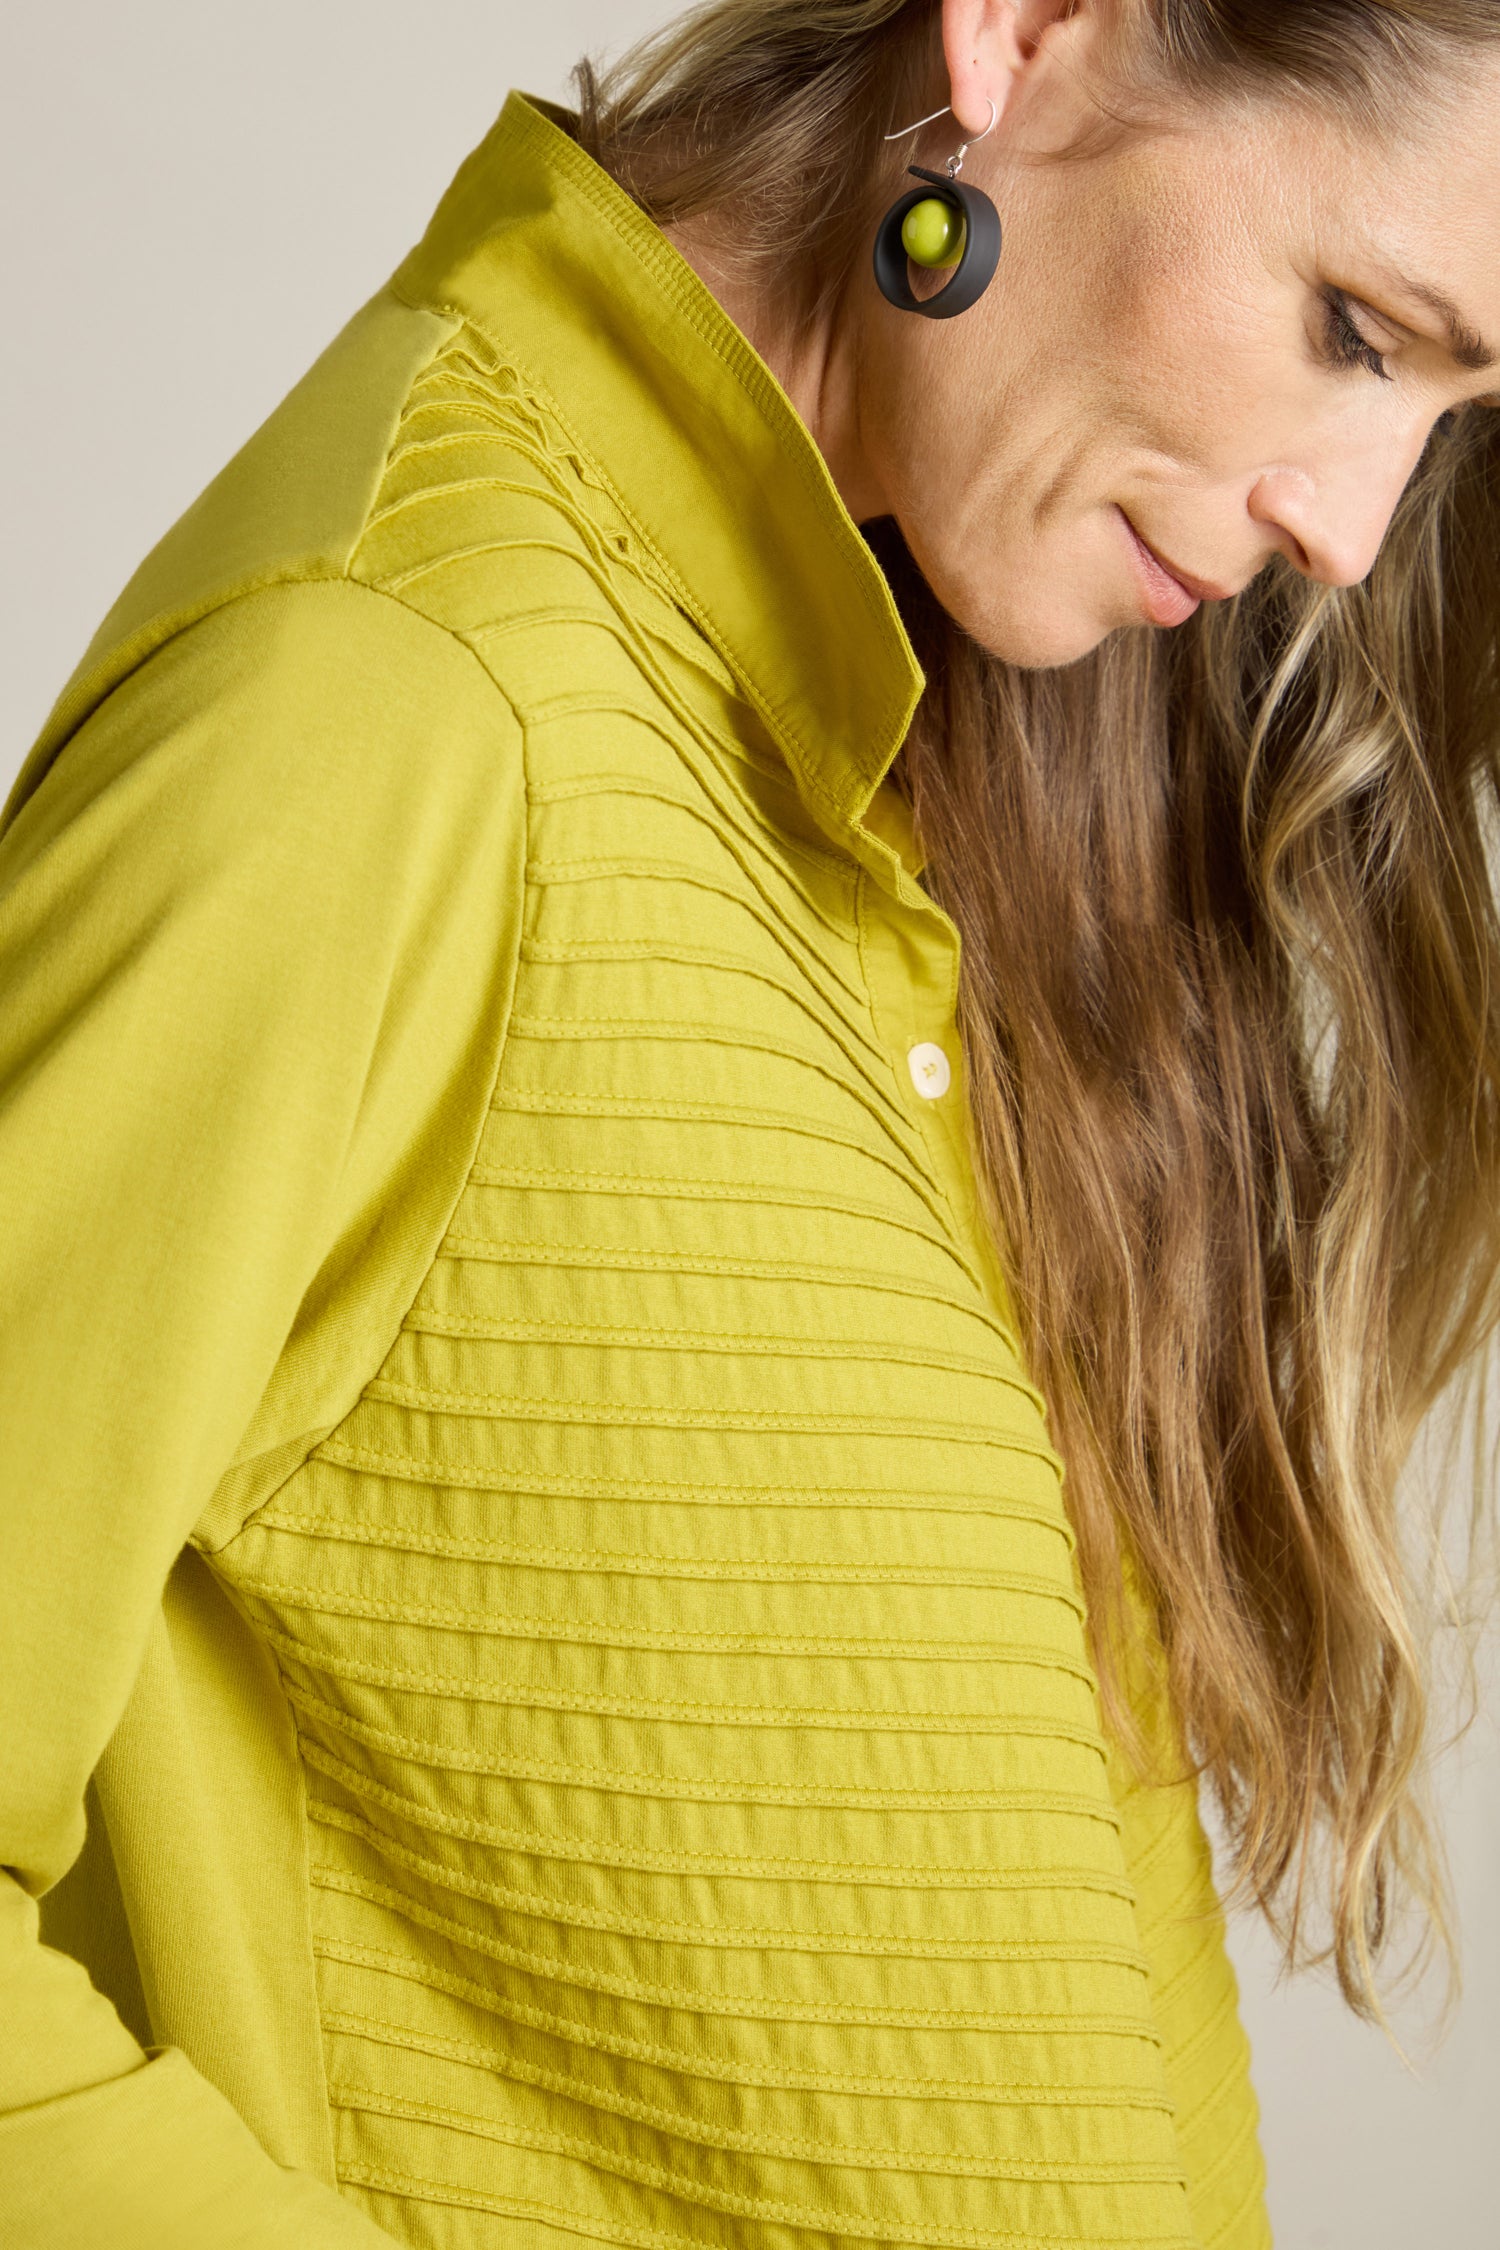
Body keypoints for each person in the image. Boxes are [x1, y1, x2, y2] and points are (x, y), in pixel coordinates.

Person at [4, 2, 1499, 2245]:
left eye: (1452, 409)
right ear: (1031, 31)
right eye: (1352, 329)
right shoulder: (387, 713)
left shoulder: (950, 761)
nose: (1352, 533)